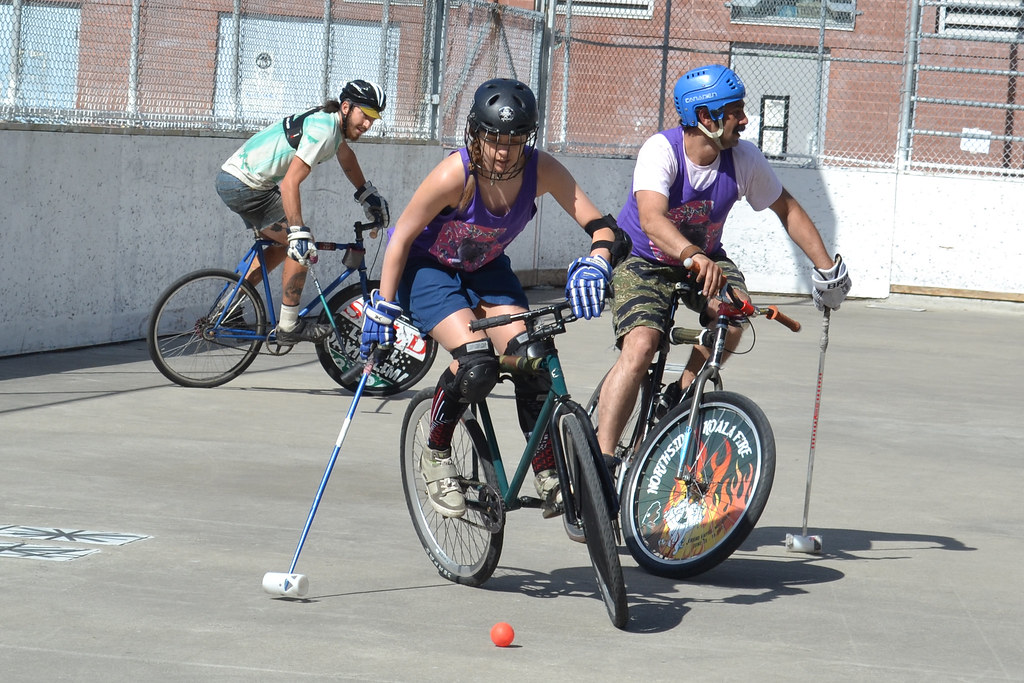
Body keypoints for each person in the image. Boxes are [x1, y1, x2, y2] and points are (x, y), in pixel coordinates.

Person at [360, 78, 630, 519]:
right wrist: (383, 305)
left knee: (532, 356)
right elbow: (402, 235)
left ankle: (545, 469)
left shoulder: (542, 170)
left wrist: (598, 259)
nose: (503, 151)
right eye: (493, 138)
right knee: (477, 363)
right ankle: (436, 449)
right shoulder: (456, 173)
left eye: (515, 139)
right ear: (475, 134)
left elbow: (604, 227)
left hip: (486, 269)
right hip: (428, 269)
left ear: (529, 138)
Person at [596, 64, 852, 466]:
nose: (745, 120)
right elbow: (651, 219)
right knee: (642, 345)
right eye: (735, 111)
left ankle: (678, 398)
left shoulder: (743, 158)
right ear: (705, 116)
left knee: (734, 319)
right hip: (645, 259)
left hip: (705, 258)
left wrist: (826, 270)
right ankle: (601, 460)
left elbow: (787, 210)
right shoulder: (661, 151)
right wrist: (691, 253)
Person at [215, 79, 391, 344]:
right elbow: (290, 183)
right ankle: (288, 326)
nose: (367, 125)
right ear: (346, 107)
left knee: (280, 246)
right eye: (364, 116)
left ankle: (228, 305)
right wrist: (298, 232)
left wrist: (366, 193)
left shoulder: (330, 123)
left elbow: (346, 158)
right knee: (301, 247)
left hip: (237, 179)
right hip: (247, 186)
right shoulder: (324, 131)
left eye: (373, 119)